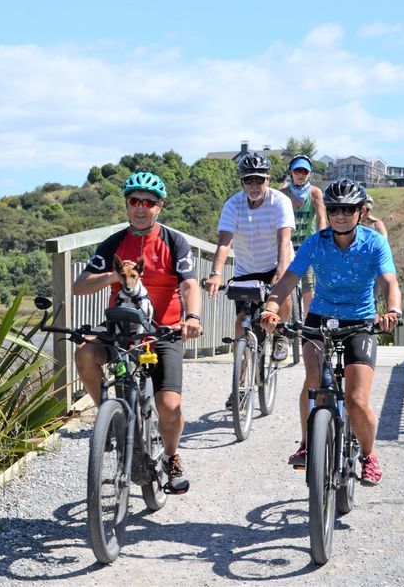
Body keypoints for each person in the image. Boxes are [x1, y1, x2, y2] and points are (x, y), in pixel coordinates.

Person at [259, 178, 402, 486]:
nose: (340, 215)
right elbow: (289, 278)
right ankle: (307, 443)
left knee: (356, 400)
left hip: (360, 322)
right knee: (314, 383)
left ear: (361, 212)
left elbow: (390, 281)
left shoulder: (374, 242)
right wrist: (272, 305)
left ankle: (369, 455)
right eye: (334, 208)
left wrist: (392, 311)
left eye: (348, 209)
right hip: (320, 318)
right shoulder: (316, 241)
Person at [72, 171, 203, 494]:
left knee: (169, 407)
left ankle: (172, 457)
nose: (140, 208)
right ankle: (110, 420)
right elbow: (80, 286)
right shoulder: (115, 243)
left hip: (164, 332)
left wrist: (193, 316)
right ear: (127, 205)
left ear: (160, 207)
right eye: (134, 201)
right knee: (85, 354)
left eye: (148, 202)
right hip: (122, 331)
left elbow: (188, 283)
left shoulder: (174, 241)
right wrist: (113, 277)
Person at [204, 152, 295, 410]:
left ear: (268, 179)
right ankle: (240, 386)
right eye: (248, 181)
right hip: (246, 268)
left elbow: (284, 240)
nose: (254, 186)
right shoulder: (233, 205)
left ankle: (280, 335)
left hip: (277, 262)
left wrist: (280, 272)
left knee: (284, 290)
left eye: (259, 180)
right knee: (242, 325)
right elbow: (224, 243)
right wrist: (216, 273)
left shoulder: (280, 202)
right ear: (242, 182)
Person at [282, 154, 327, 314]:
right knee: (283, 283)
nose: (301, 174)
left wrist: (322, 241)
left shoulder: (315, 193)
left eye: (304, 171)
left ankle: (309, 325)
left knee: (309, 286)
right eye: (297, 171)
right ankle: (283, 326)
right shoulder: (283, 194)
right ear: (291, 173)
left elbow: (321, 218)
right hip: (287, 245)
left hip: (307, 245)